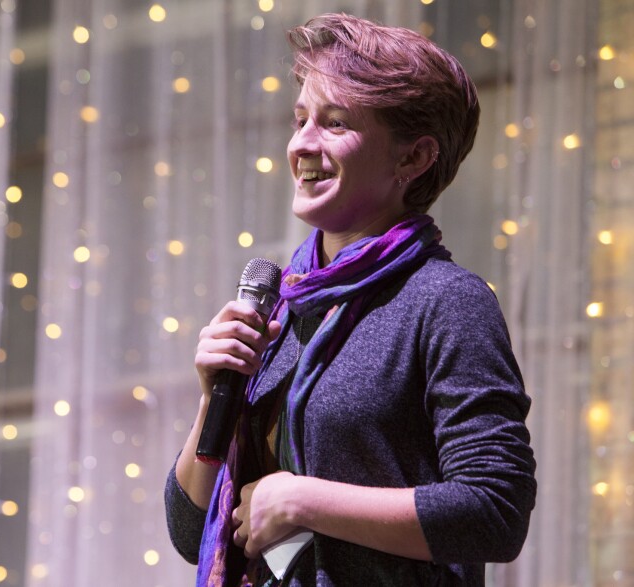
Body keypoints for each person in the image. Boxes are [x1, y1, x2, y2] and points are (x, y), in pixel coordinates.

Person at [164, 12, 536, 587]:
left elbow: (495, 510)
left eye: (334, 123)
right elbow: (192, 534)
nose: (302, 144)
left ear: (413, 158)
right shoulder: (281, 305)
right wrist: (214, 398)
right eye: (300, 120)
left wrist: (304, 501)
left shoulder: (445, 301)